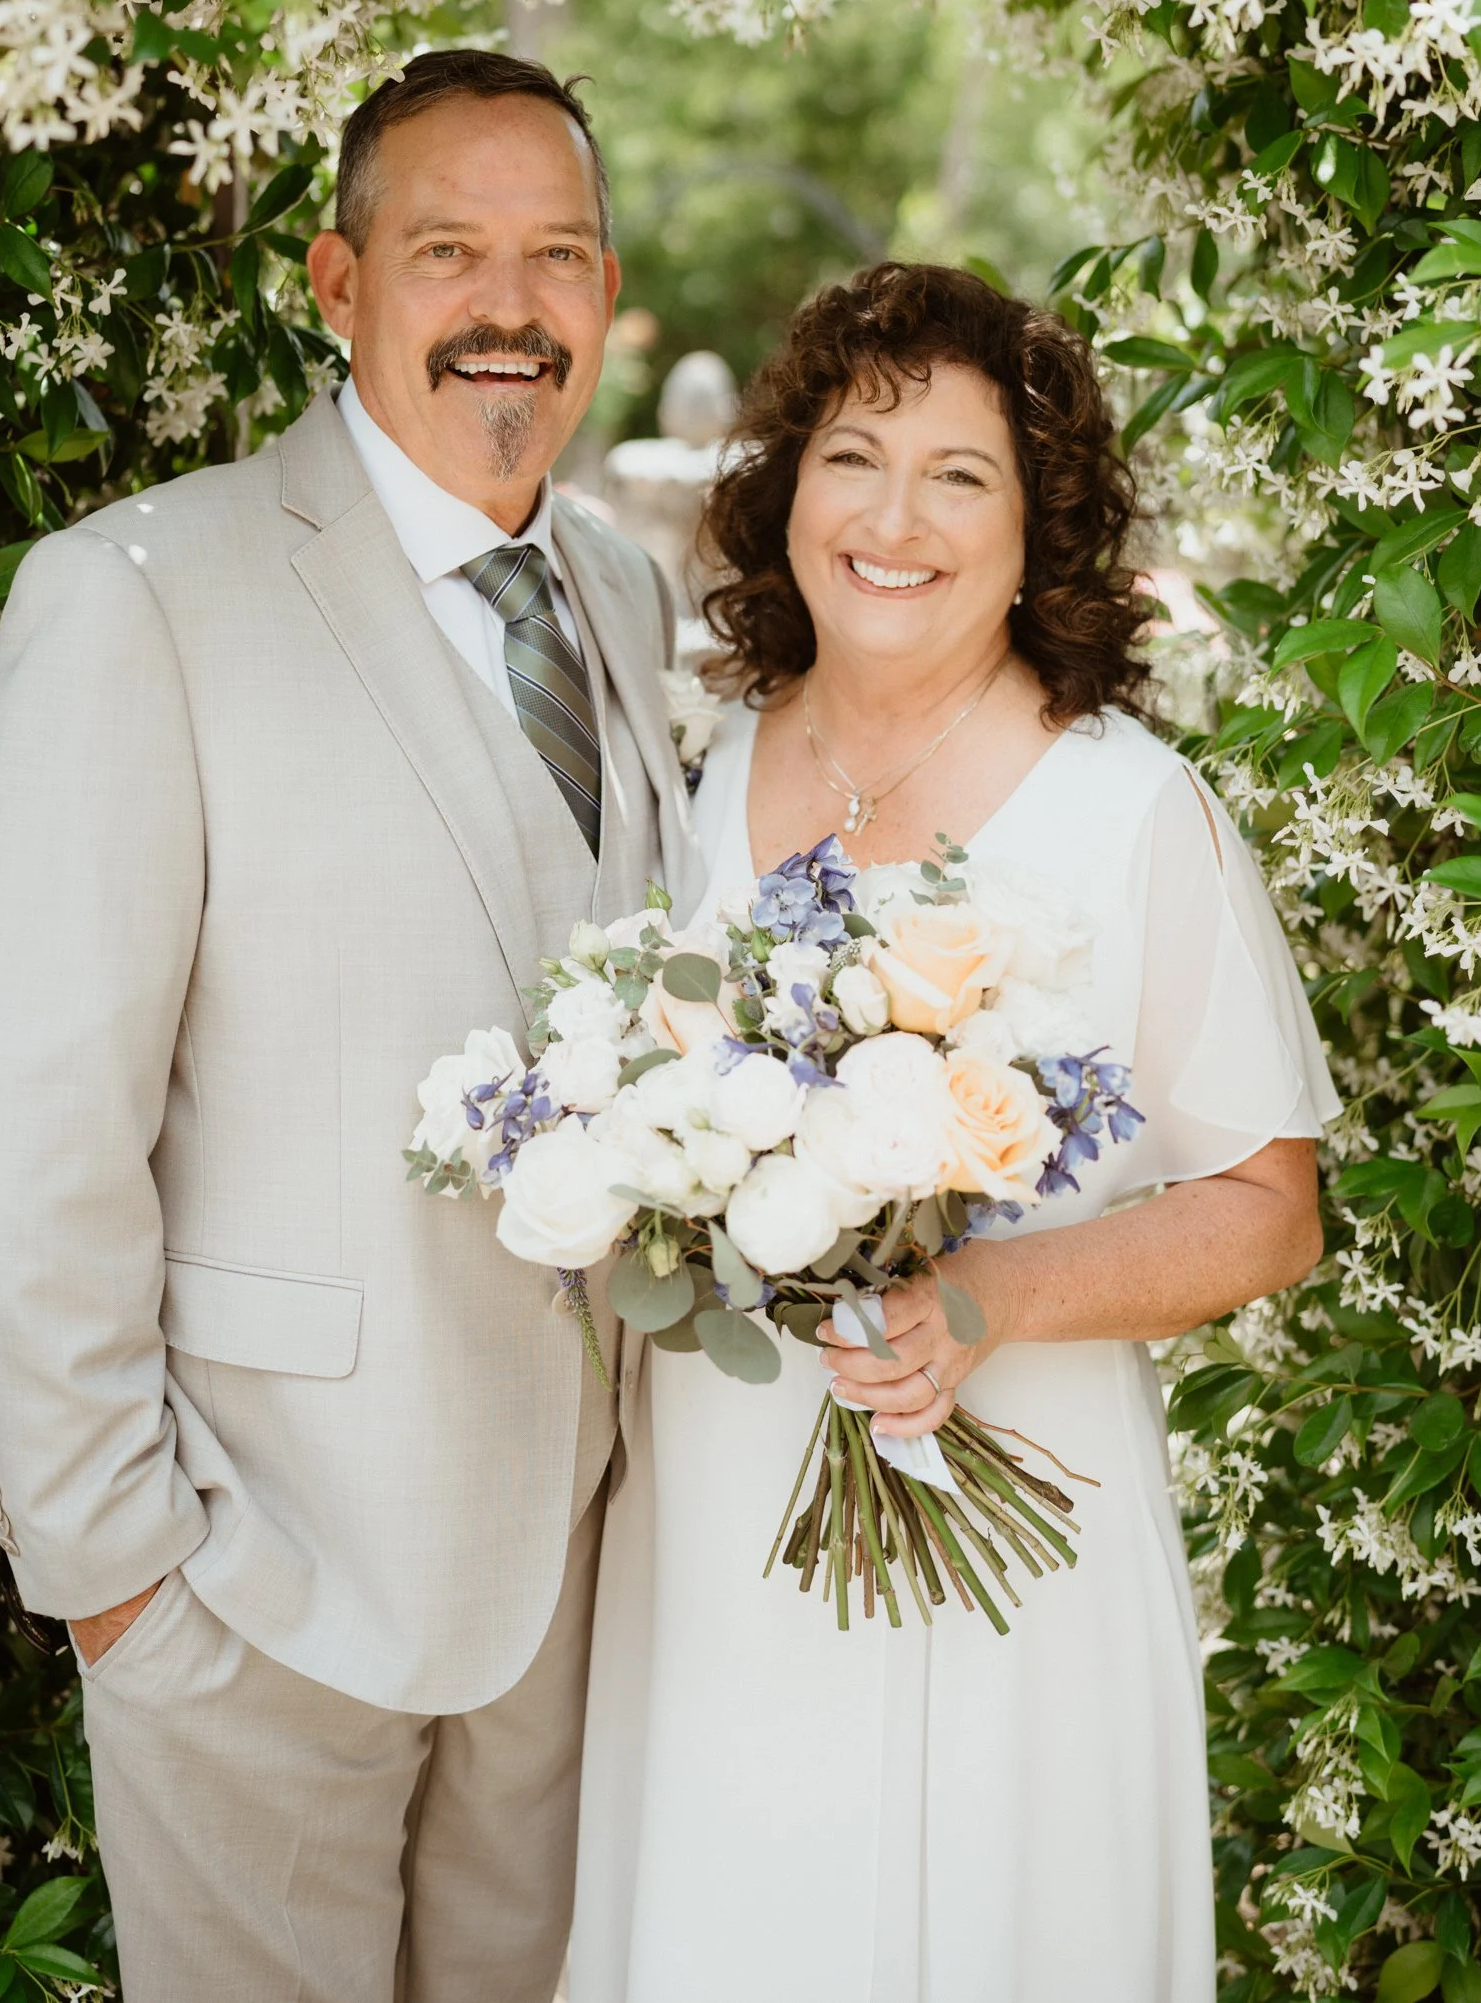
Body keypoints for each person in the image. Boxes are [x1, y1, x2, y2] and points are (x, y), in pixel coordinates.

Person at [0, 50, 695, 2003]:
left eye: (556, 256)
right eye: (449, 250)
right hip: (255, 1580)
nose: (508, 307)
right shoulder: (135, 595)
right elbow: (32, 1121)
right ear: (340, 284)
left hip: (574, 1585)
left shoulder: (620, 590)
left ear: (605, 297)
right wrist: (121, 1577)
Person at [569, 261, 1338, 2003]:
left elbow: (1269, 1209)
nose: (891, 516)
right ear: (783, 494)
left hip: (1019, 1538)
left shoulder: (1131, 808)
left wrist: (977, 1306)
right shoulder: (710, 769)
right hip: (720, 1513)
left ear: (1037, 529)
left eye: (960, 475)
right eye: (851, 456)